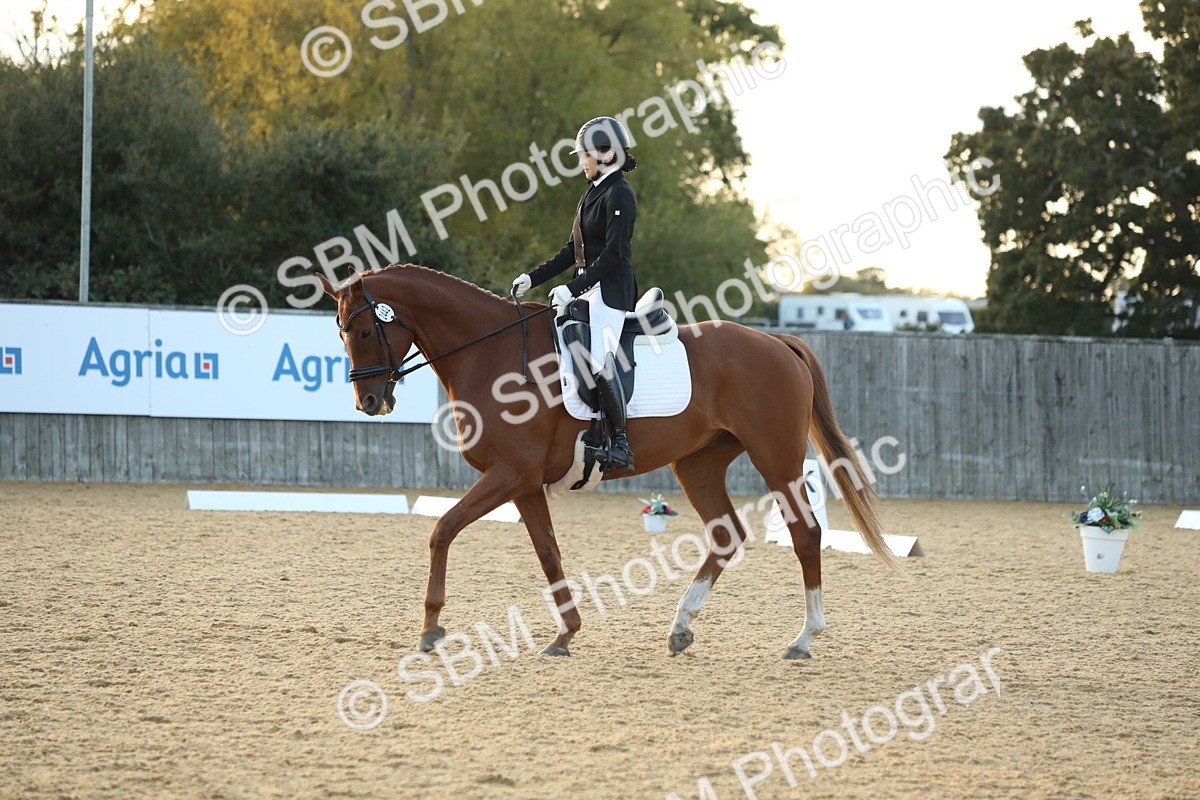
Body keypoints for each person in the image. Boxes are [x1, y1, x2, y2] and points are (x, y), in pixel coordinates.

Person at [511, 116, 639, 472]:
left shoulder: (620, 193)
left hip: (610, 291)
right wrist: (532, 277)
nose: (581, 161)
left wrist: (571, 288)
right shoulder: (592, 192)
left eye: (584, 155)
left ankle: (621, 445)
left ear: (605, 154)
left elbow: (613, 255)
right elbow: (572, 251)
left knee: (597, 360)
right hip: (586, 288)